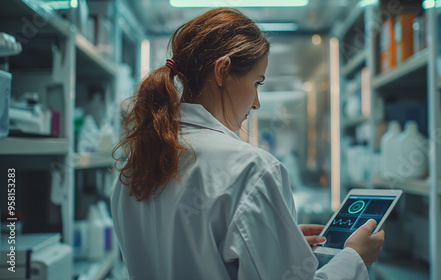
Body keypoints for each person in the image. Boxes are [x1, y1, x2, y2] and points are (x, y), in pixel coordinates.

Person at [110, 7, 384, 280]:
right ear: (222, 70)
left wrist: (275, 240)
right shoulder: (252, 169)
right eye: (257, 83)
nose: (256, 102)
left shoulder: (133, 168)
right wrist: (354, 259)